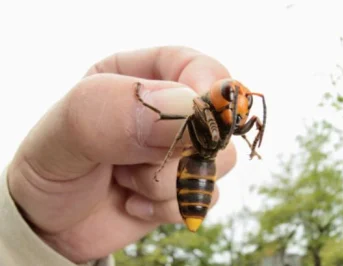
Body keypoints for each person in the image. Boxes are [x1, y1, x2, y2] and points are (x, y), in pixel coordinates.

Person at [0, 46, 237, 266]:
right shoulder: (199, 105)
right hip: (194, 173)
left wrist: (41, 245)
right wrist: (29, 239)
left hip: (199, 171)